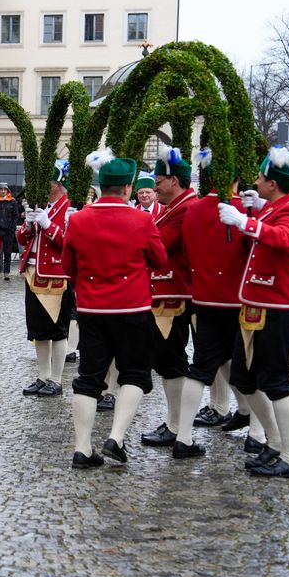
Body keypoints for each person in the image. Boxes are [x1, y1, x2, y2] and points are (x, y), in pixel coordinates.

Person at [219, 146, 289, 478]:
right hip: (259, 302)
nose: (257, 182)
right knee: (245, 377)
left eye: (261, 178)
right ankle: (274, 443)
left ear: (273, 183)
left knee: (276, 380)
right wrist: (259, 211)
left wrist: (246, 220)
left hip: (279, 305)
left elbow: (284, 238)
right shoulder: (281, 205)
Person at [64, 151, 166, 468]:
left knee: (89, 378)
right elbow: (161, 260)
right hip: (132, 309)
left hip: (92, 310)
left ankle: (82, 448)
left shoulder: (79, 219)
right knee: (134, 374)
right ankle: (116, 438)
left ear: (102, 185)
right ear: (127, 188)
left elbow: (69, 267)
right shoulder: (143, 219)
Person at [172, 149, 264, 458]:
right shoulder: (246, 212)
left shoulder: (194, 209)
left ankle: (183, 436)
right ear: (238, 178)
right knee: (250, 366)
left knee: (201, 368)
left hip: (205, 297)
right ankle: (257, 433)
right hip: (240, 301)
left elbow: (184, 253)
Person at [140, 147, 197, 448]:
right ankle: (176, 424)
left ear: (173, 181)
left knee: (172, 361)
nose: (155, 187)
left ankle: (177, 427)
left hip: (174, 294)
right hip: (167, 292)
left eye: (159, 181)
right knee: (168, 361)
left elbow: (159, 248)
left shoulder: (185, 208)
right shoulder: (176, 207)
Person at [16, 164, 72, 398]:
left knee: (58, 330)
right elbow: (21, 238)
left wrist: (48, 225)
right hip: (33, 272)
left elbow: (70, 242)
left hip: (57, 274)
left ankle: (57, 379)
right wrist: (29, 224)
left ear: (57, 185)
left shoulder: (69, 208)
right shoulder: (42, 206)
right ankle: (42, 375)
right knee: (38, 330)